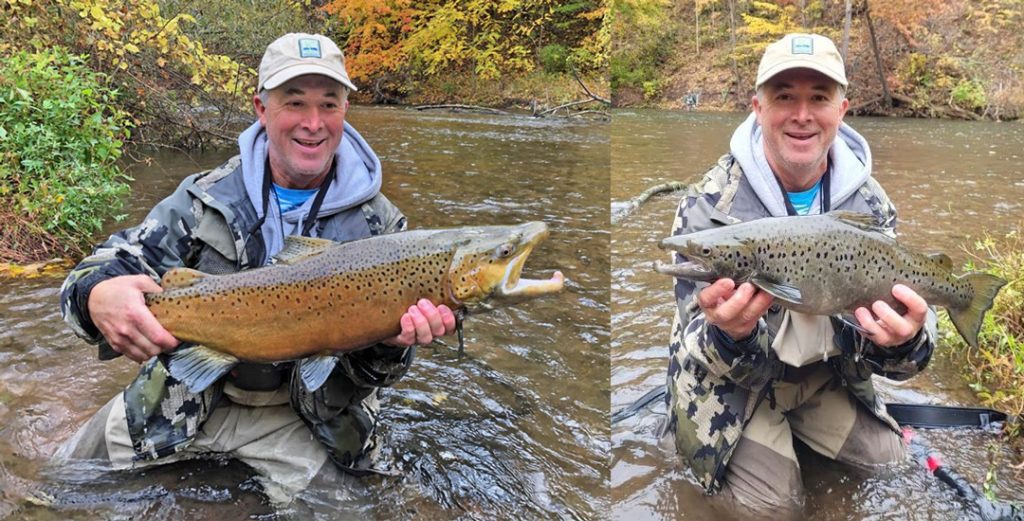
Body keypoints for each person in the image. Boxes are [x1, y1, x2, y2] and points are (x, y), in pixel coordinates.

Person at [56, 33, 456, 504]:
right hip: (187, 394)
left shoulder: (381, 226)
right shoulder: (203, 198)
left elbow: (380, 375)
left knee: (363, 510)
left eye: (329, 104)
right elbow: (104, 264)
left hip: (308, 416)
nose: (313, 123)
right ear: (261, 109)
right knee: (59, 483)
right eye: (294, 102)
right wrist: (98, 295)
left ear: (346, 110)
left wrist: (392, 343)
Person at [662, 33, 937, 517]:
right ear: (758, 107)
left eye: (818, 98)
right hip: (733, 384)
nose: (802, 114)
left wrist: (904, 340)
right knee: (775, 508)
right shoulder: (709, 205)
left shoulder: (871, 204)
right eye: (785, 95)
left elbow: (902, 362)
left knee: (891, 465)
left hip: (822, 377)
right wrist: (730, 335)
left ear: (842, 108)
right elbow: (692, 345)